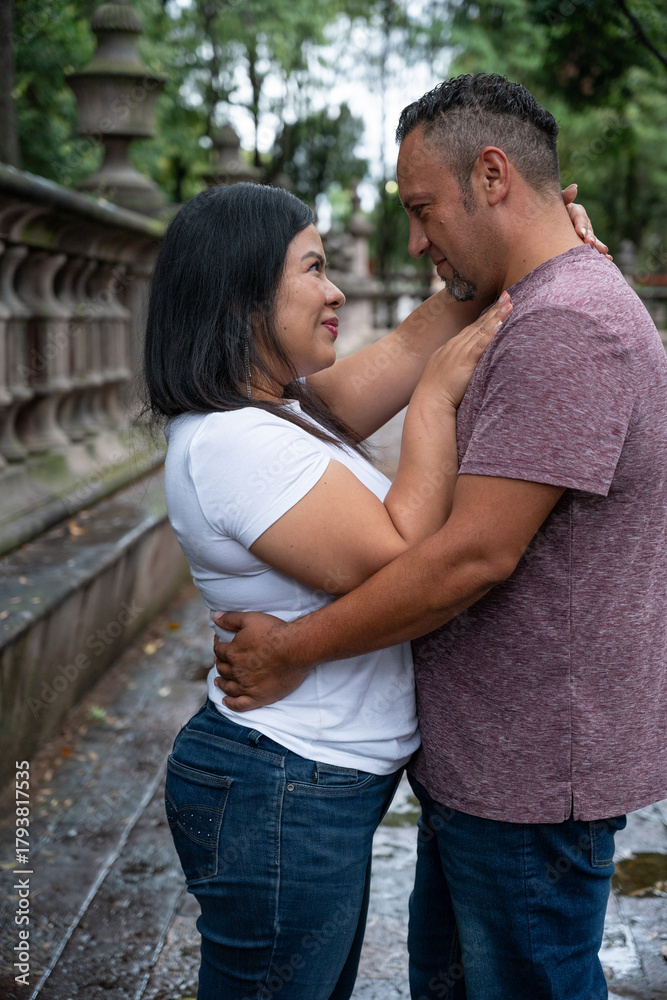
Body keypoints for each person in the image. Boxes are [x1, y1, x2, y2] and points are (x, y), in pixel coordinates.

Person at [213, 74, 667, 1000]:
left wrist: (290, 650)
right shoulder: (540, 303)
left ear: (492, 176)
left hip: (528, 775)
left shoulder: (565, 326)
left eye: (422, 210)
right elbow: (329, 407)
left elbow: (471, 557)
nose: (416, 242)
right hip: (496, 768)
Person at [143, 179, 526, 1000]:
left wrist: (519, 243)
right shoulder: (235, 442)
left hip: (301, 783)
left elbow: (413, 340)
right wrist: (434, 401)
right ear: (243, 297)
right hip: (282, 784)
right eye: (313, 268)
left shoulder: (283, 412)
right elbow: (403, 561)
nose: (336, 290)